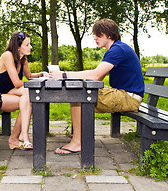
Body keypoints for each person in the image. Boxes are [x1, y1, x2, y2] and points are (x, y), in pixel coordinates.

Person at [49, 18, 145, 155]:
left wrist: (63, 75)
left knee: (78, 95)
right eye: (94, 35)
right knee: (78, 91)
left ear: (109, 35)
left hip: (129, 98)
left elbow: (95, 76)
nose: (95, 38)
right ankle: (78, 134)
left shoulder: (118, 49)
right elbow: (98, 78)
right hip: (125, 94)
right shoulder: (115, 49)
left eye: (98, 35)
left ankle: (77, 142)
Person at [0, 31, 48, 150]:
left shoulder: (23, 59)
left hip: (5, 93)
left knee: (27, 97)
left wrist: (42, 74)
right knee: (27, 101)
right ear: (18, 46)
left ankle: (19, 136)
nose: (30, 47)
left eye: (30, 44)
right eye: (27, 45)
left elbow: (29, 76)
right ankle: (21, 136)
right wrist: (35, 83)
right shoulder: (8, 55)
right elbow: (17, 83)